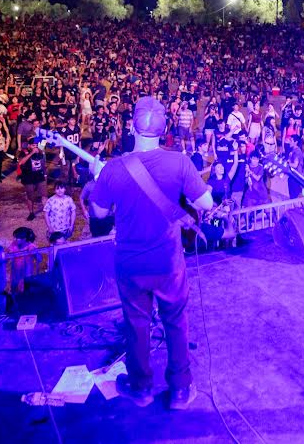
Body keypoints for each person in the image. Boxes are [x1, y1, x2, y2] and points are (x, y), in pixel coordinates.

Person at [89, 96, 213, 411]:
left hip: (131, 263)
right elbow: (206, 204)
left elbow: (99, 213)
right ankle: (181, 390)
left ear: (131, 126)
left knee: (136, 324)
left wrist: (97, 178)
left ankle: (141, 387)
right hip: (168, 262)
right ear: (164, 128)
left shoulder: (113, 168)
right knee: (176, 321)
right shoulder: (180, 163)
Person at [18, 142, 48, 220]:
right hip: (28, 178)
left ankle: (47, 211)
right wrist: (32, 153)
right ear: (29, 146)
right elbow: (21, 162)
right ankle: (31, 213)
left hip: (40, 177)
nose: (35, 147)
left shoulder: (41, 152)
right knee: (30, 197)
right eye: (33, 145)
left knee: (44, 195)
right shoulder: (23, 152)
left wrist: (45, 175)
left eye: (36, 145)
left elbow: (44, 164)